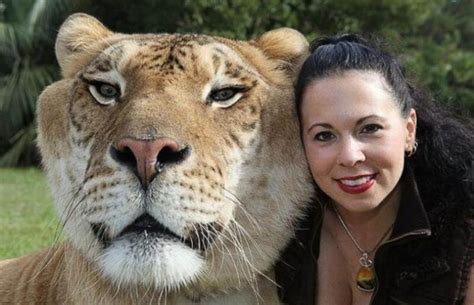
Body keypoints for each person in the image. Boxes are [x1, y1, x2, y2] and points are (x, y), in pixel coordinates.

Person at [275, 34, 473, 305]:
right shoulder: (282, 233)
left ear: (409, 130)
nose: (349, 156)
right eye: (324, 135)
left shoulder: (464, 240)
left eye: (370, 129)